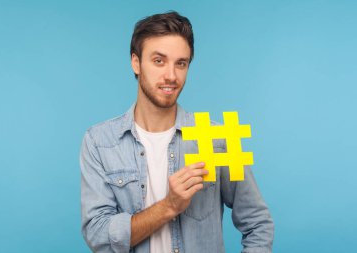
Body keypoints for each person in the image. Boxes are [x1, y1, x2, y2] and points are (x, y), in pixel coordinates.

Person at [80, 11, 274, 253]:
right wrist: (169, 206)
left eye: (181, 63)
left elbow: (258, 224)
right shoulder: (100, 142)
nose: (171, 76)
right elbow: (98, 234)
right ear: (136, 62)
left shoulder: (217, 138)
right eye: (159, 61)